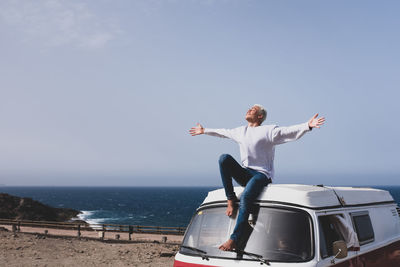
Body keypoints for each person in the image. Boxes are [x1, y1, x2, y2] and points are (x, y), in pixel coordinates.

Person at [189, 104, 325, 251]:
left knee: (247, 196)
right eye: (248, 108)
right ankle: (231, 199)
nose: (248, 110)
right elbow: (223, 132)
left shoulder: (268, 131)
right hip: (246, 173)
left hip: (262, 175)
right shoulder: (241, 131)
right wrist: (204, 131)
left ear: (260, 116)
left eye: (252, 109)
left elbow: (288, 132)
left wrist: (307, 126)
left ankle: (234, 239)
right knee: (224, 159)